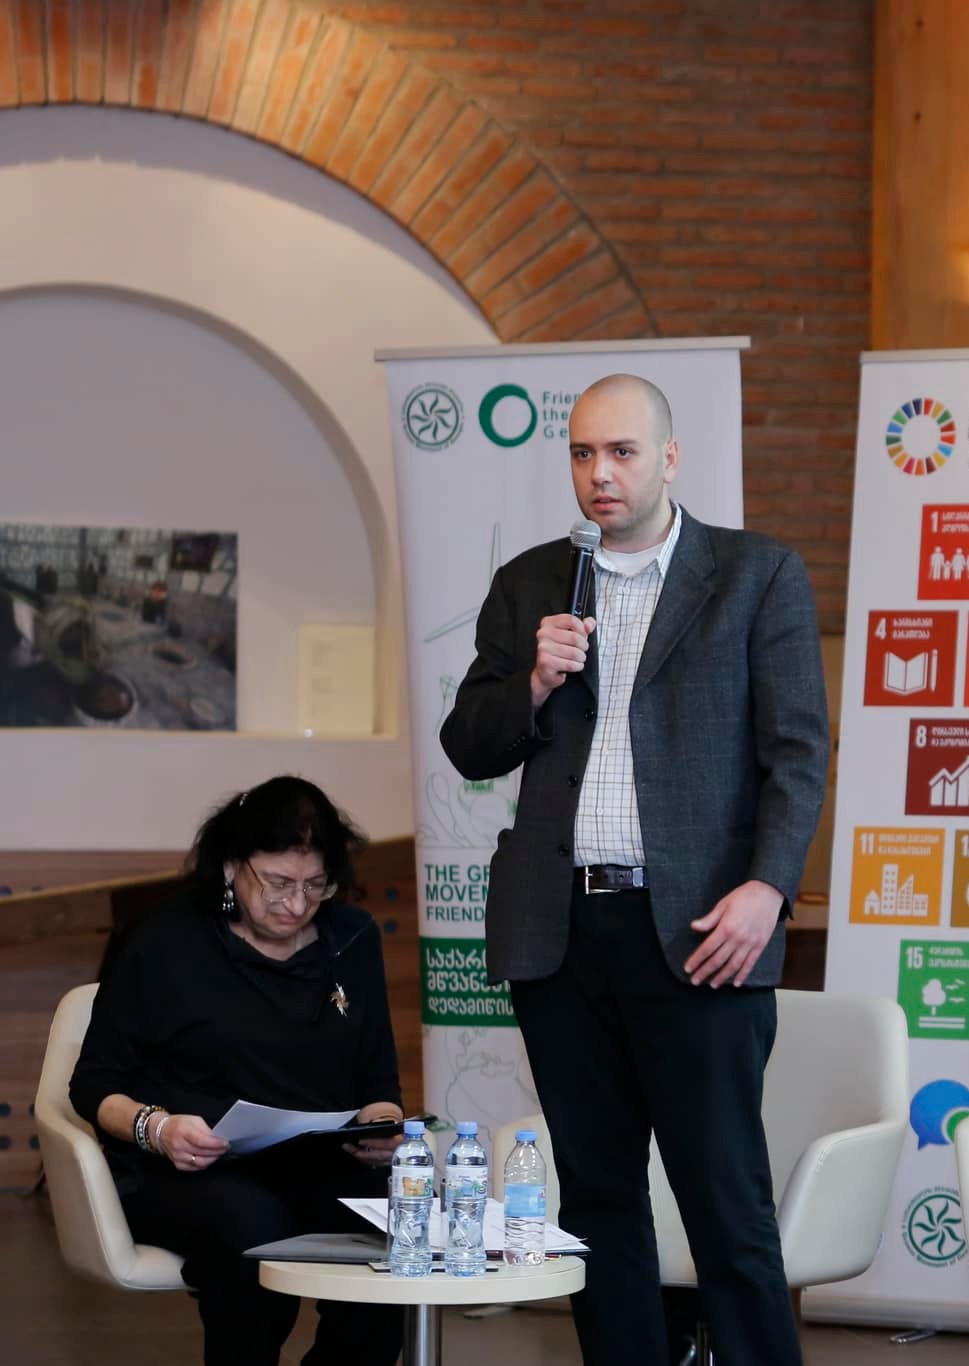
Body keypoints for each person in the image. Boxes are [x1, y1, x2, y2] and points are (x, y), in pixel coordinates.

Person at [439, 372, 829, 1366]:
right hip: (561, 934)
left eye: (620, 452)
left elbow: (797, 754)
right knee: (596, 1201)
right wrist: (533, 681)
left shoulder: (754, 575)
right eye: (582, 453)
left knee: (724, 1202)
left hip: (700, 929)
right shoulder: (533, 582)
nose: (599, 474)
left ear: (669, 458)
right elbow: (470, 743)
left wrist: (767, 888)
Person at [69, 776, 404, 1366]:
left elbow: (378, 1082)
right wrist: (160, 1128)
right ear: (231, 867)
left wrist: (381, 1126)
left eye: (315, 885)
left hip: (312, 1163)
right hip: (183, 1167)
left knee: (403, 1230)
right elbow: (93, 1083)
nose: (296, 904)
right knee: (252, 1231)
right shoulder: (164, 941)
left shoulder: (352, 938)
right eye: (277, 883)